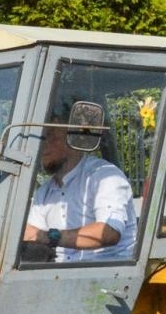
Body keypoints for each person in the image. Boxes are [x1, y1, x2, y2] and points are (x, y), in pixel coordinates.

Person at [22, 106, 135, 262]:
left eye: (51, 136)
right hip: (59, 272)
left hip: (108, 271)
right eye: (41, 139)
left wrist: (48, 236)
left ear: (73, 138)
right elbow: (32, 236)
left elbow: (108, 232)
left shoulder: (104, 176)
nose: (43, 145)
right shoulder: (44, 193)